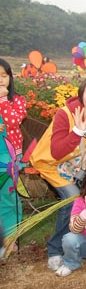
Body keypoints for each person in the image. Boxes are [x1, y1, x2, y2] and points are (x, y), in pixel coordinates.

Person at [30, 75, 86, 271]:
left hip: (76, 163)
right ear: (81, 94)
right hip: (51, 161)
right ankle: (55, 250)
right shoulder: (66, 114)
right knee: (71, 198)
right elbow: (57, 151)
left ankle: (84, 240)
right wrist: (77, 131)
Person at [0, 58, 27, 237]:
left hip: (8, 158)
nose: (0, 79)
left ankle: (10, 238)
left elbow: (13, 121)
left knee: (8, 198)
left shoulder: (17, 101)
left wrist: (2, 100)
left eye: (4, 75)